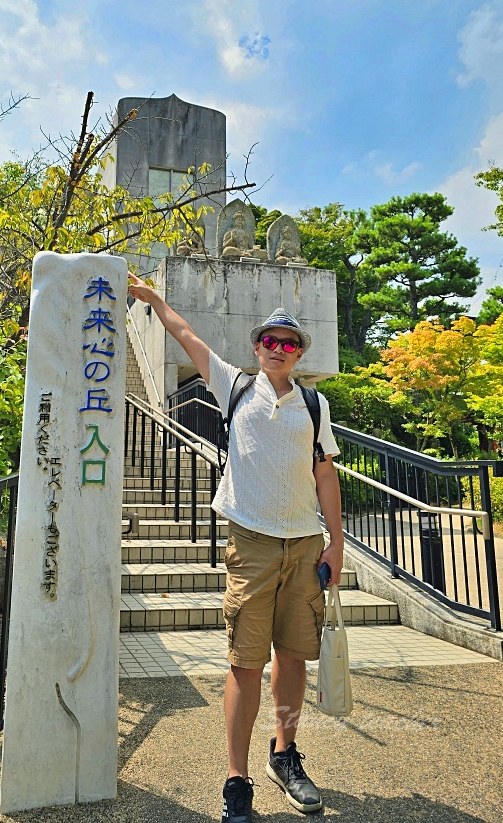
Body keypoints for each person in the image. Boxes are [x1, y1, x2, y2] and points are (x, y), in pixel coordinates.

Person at [127, 273, 344, 822]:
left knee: (292, 655)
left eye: (289, 343)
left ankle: (284, 753)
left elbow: (326, 476)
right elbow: (190, 339)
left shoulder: (313, 406)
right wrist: (154, 299)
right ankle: (236, 779)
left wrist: (336, 543)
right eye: (270, 340)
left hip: (304, 542)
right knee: (246, 662)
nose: (279, 349)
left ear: (299, 353)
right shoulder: (235, 385)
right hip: (251, 542)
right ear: (256, 346)